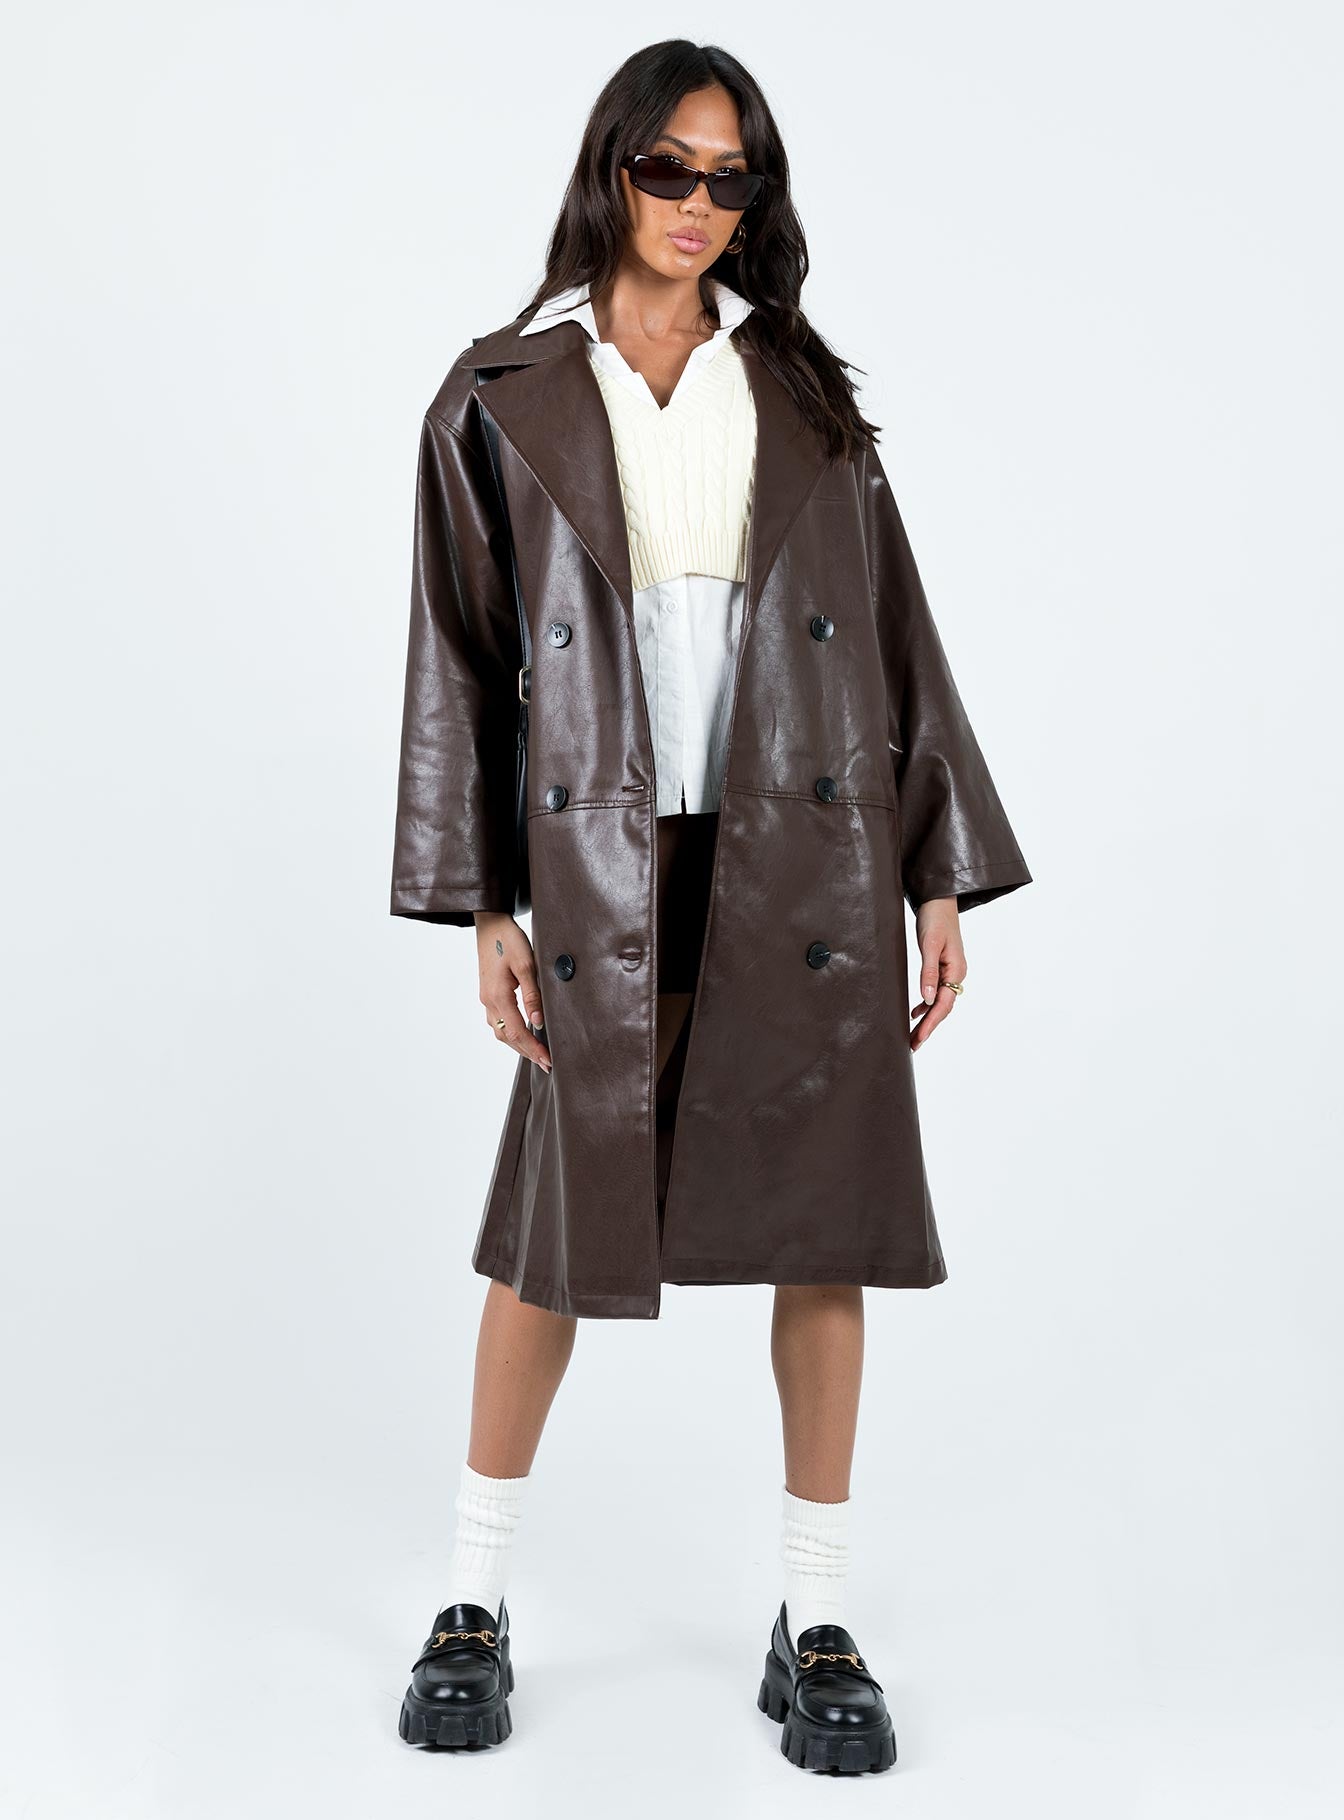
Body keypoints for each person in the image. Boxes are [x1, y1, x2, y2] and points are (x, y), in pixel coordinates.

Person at [390, 41, 1031, 1776]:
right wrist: (483, 905)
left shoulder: (798, 388)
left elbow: (896, 637)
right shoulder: (499, 391)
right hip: (601, 868)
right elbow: (458, 664)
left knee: (825, 1228)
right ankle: (473, 1599)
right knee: (548, 1231)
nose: (695, 204)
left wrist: (937, 869)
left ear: (758, 197)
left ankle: (815, 1617)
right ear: (612, 167)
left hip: (803, 865)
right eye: (667, 169)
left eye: (728, 177)